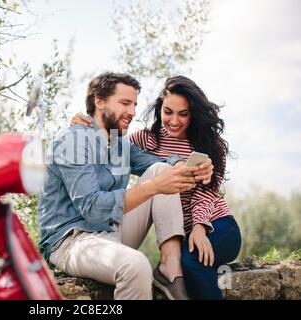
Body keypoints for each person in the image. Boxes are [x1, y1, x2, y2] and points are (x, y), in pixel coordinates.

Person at [38, 72, 213, 300]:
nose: (132, 112)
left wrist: (187, 165)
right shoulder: (73, 141)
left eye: (134, 105)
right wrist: (153, 187)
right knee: (137, 265)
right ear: (99, 101)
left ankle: (170, 271)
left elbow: (157, 163)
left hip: (111, 230)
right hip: (72, 240)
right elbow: (91, 208)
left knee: (163, 171)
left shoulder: (119, 143)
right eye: (124, 103)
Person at [72, 75, 241, 300]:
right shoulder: (145, 140)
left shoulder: (209, 144)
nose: (174, 121)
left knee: (192, 262)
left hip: (217, 224)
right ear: (160, 109)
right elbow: (110, 146)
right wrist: (85, 125)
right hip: (181, 233)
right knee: (180, 264)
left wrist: (201, 227)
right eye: (168, 112)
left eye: (183, 114)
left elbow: (207, 193)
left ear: (193, 114)